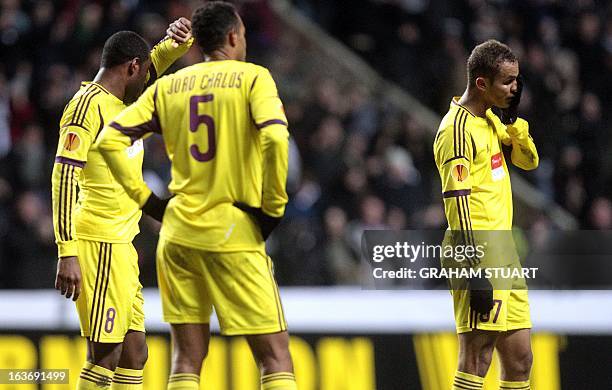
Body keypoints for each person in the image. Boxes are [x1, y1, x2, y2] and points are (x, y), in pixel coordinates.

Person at [96, 2, 296, 390]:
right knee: (275, 357)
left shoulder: (170, 86)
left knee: (186, 359)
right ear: (234, 37)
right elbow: (275, 137)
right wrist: (272, 208)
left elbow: (109, 140)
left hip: (178, 233)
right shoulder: (253, 79)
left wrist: (148, 201)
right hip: (232, 230)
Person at [51, 19, 193, 390]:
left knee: (135, 354)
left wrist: (177, 42)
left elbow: (154, 61)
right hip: (97, 243)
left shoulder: (122, 101)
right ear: (131, 68)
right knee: (105, 355)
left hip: (122, 246)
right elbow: (63, 177)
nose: (149, 79)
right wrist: (67, 251)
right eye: (144, 73)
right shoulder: (86, 108)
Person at [433, 39, 539, 390]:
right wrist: (473, 268)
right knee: (477, 358)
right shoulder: (455, 130)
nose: (515, 88)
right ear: (481, 83)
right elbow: (456, 201)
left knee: (521, 359)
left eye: (517, 80)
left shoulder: (491, 121)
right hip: (477, 251)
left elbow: (528, 161)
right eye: (508, 81)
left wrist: (513, 123)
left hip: (504, 250)